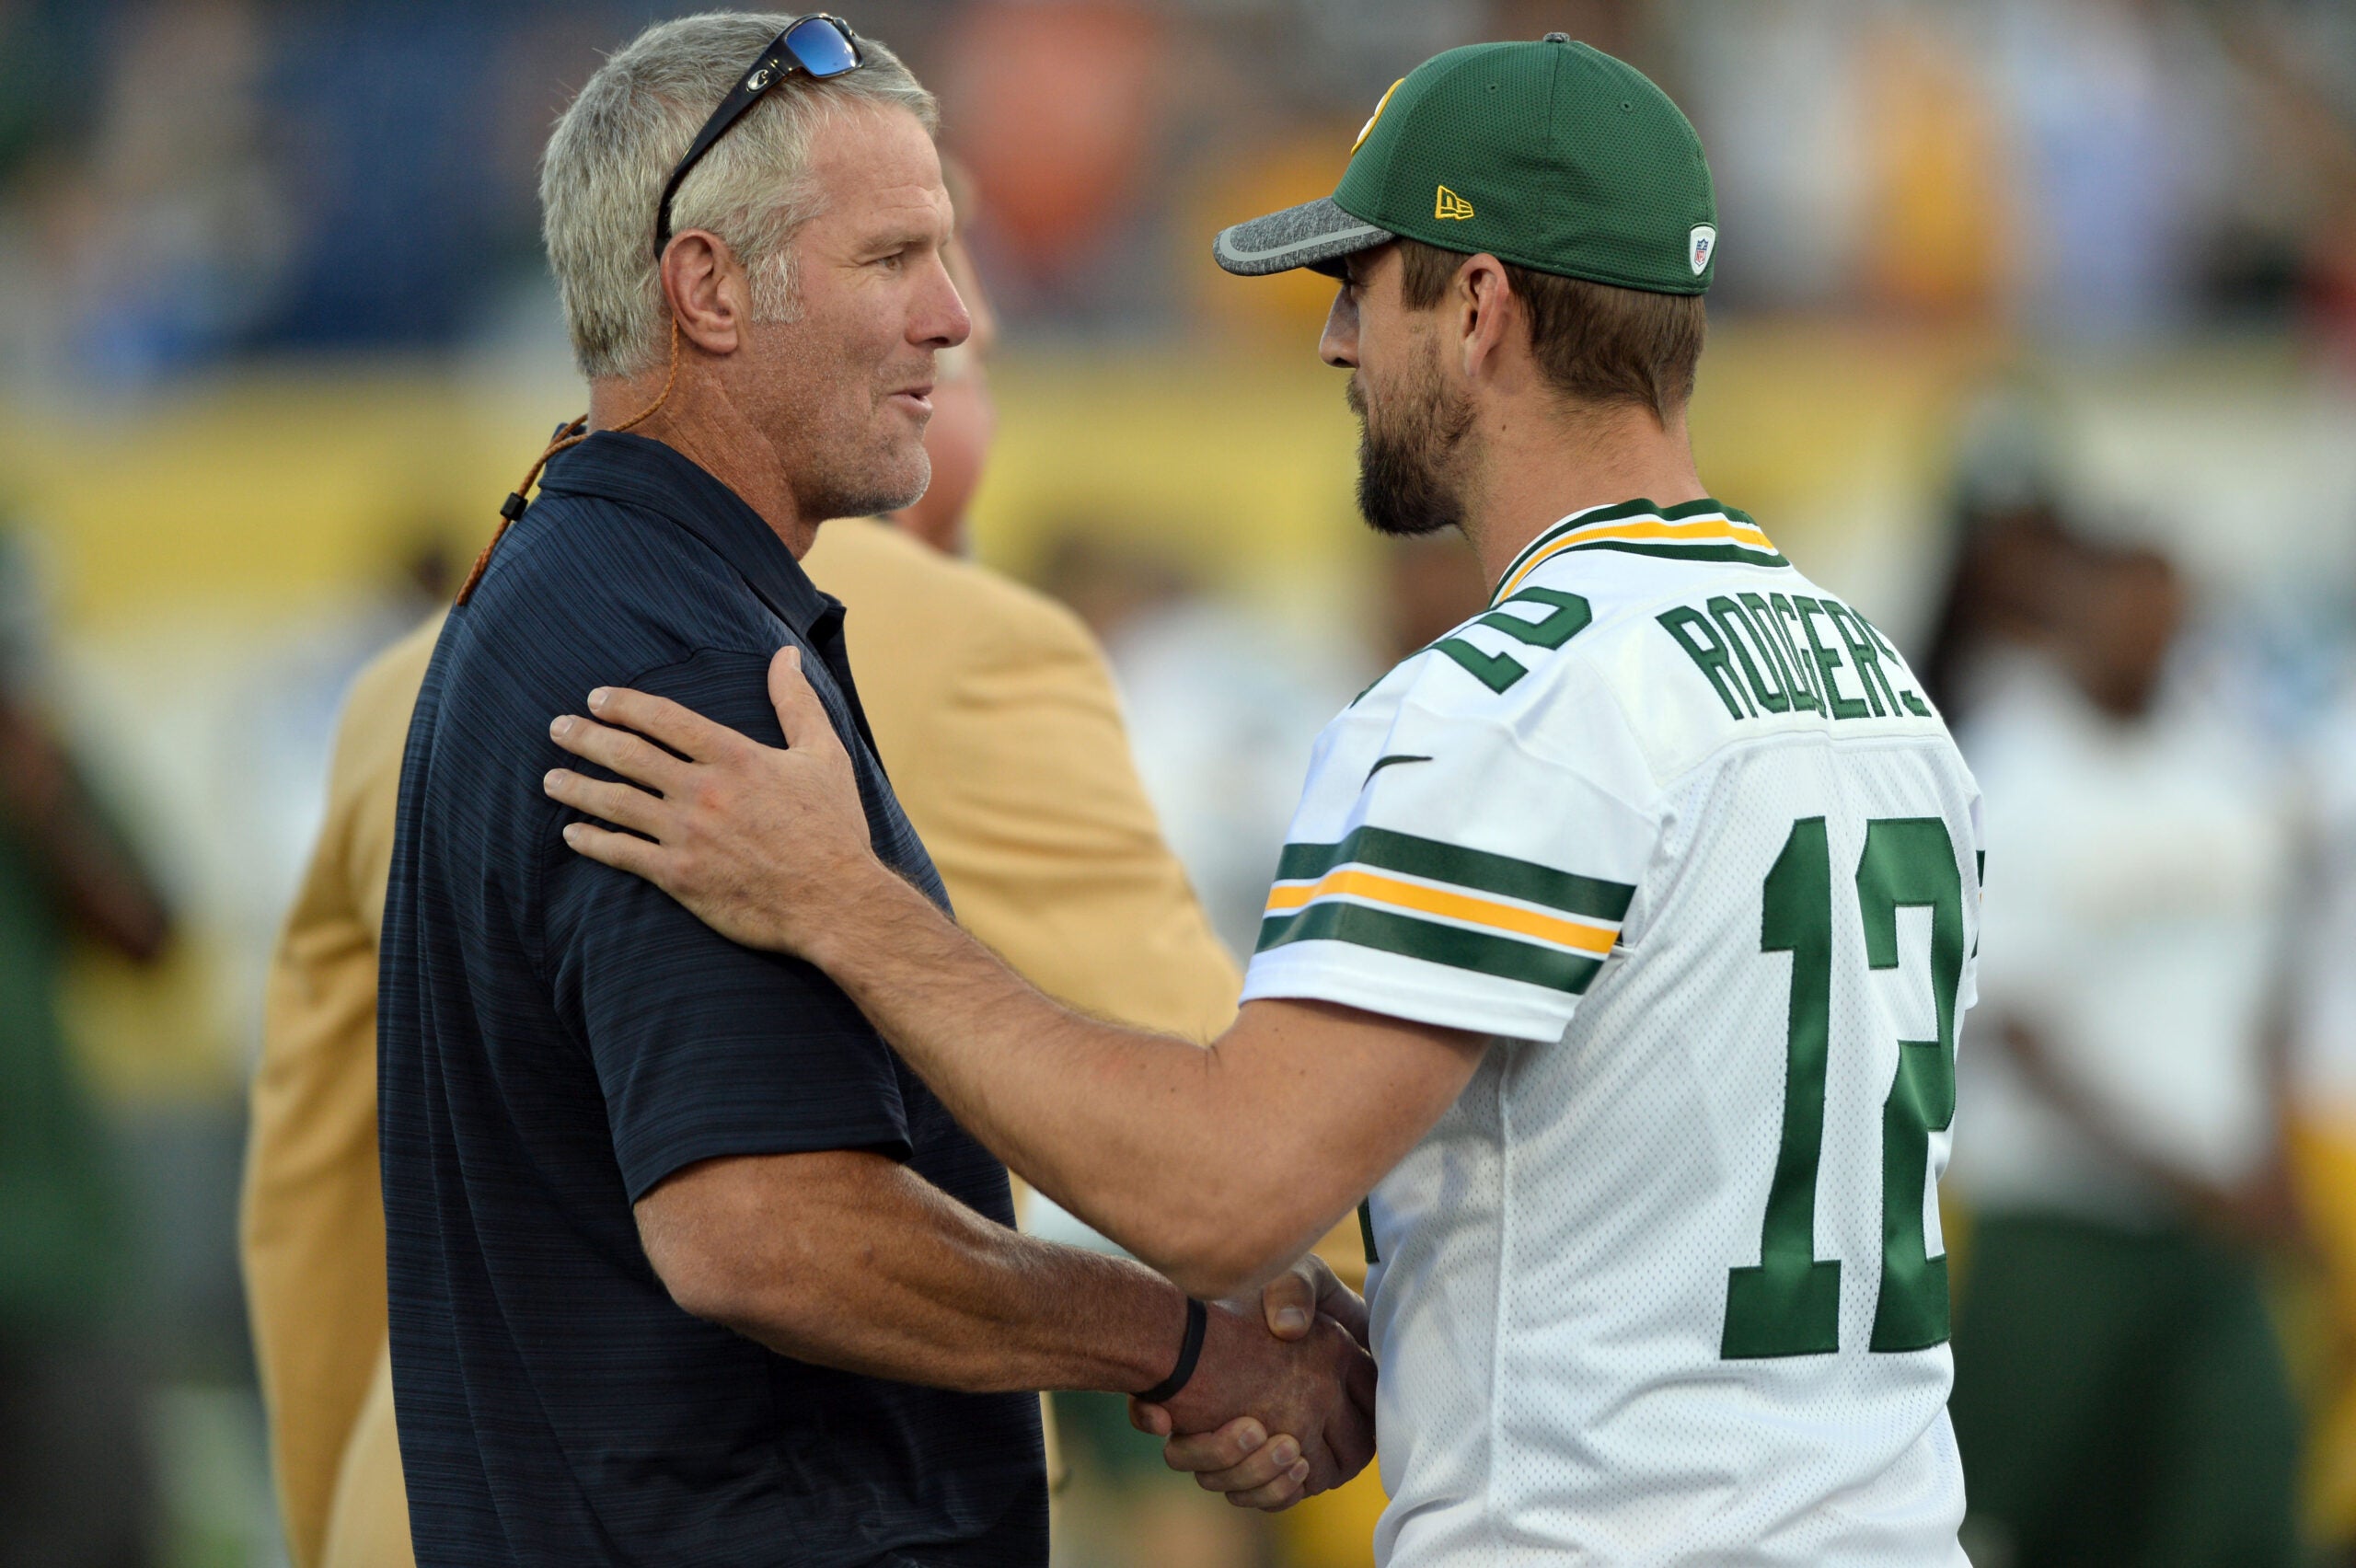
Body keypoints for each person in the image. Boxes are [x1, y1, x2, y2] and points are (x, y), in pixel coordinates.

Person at [541, 36, 1986, 1565]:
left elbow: (1221, 1186)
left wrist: (842, 903)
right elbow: (1654, 1176)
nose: (1335, 344)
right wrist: (1413, 1307)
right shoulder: (1874, 679)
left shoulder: (1510, 698)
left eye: (1362, 286)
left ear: (1482, 305)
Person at [375, 16, 1370, 1566]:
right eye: (892, 255)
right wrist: (1181, 1338)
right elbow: (766, 1228)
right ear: (706, 286)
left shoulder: (599, 581)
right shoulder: (678, 656)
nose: (955, 315)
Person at [1941, 535, 2303, 1566]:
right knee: (2021, 1514)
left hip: (2210, 1228)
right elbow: (2016, 1030)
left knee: (2236, 1491)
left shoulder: (2218, 758)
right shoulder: (2010, 768)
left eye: (2169, 613)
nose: (2152, 636)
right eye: (2128, 613)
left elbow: (2261, 973)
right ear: (2074, 616)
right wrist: (2187, 1173)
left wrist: (2263, 1143)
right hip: (2058, 1225)